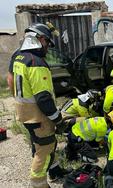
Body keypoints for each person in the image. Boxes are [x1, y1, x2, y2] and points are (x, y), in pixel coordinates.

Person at [7, 23, 68, 188]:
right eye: (47, 42)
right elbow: (43, 99)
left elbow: (10, 79)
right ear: (39, 38)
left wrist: (19, 100)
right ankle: (38, 183)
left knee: (39, 143)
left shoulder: (18, 56)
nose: (47, 47)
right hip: (38, 115)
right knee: (46, 147)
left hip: (24, 112)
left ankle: (54, 171)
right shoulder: (36, 62)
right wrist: (58, 120)